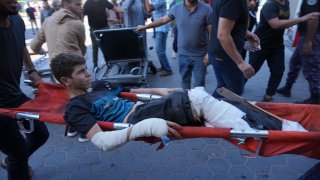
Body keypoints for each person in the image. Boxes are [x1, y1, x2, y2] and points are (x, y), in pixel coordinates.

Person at [49, 53, 303, 152]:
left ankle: (266, 134)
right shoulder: (76, 108)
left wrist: (168, 89)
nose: (89, 74)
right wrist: (146, 128)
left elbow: (138, 93)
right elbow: (103, 142)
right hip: (137, 120)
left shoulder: (101, 85)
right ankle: (286, 133)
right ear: (65, 80)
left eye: (87, 69)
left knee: (205, 105)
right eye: (82, 72)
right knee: (199, 99)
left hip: (146, 108)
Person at [0, 0, 49, 178]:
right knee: (17, 150)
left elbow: (21, 47)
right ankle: (16, 162)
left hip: (14, 94)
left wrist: (32, 70)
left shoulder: (17, 21)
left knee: (40, 134)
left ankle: (13, 161)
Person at [248, 0, 320, 102]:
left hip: (277, 44)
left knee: (278, 71)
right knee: (252, 69)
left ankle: (269, 96)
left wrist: (289, 26)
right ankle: (234, 88)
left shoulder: (286, 3)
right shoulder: (270, 5)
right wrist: (301, 19)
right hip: (261, 43)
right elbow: (275, 24)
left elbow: (283, 19)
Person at [138, 0, 213, 87]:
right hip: (183, 55)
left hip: (200, 56)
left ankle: (198, 100)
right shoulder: (176, 8)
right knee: (185, 82)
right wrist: (145, 27)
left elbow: (212, 32)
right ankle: (186, 100)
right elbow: (162, 20)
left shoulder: (207, 9)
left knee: (199, 85)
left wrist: (209, 52)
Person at [208, 0, 259, 98]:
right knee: (234, 92)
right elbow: (223, 35)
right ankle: (209, 109)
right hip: (225, 55)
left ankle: (207, 110)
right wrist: (240, 62)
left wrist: (245, 32)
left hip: (219, 52)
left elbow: (222, 19)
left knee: (223, 87)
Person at [278, 0, 320, 104]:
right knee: (295, 61)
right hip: (306, 36)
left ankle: (315, 97)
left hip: (311, 36)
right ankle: (287, 88)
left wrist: (308, 41)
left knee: (311, 67)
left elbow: (313, 18)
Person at [83, 0, 123, 69]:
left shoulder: (103, 1)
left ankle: (112, 61)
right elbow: (83, 14)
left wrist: (124, 10)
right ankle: (95, 65)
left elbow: (114, 8)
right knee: (95, 47)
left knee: (109, 44)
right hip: (94, 28)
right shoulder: (88, 2)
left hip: (105, 26)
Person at [144, 0, 173, 76]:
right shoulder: (156, 1)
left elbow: (149, 9)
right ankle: (163, 67)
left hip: (162, 28)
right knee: (158, 50)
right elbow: (150, 12)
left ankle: (168, 69)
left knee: (160, 51)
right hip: (159, 28)